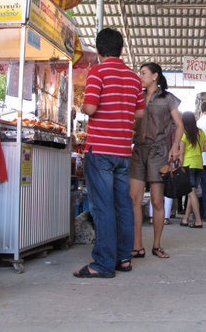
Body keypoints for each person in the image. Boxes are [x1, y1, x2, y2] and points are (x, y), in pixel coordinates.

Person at [74, 28, 144, 279]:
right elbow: (139, 113)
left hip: (101, 150)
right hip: (123, 152)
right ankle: (123, 259)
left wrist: (82, 105)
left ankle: (102, 264)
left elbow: (91, 107)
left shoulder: (98, 72)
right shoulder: (134, 78)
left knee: (103, 207)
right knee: (123, 205)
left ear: (100, 51)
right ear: (122, 49)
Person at [130, 62, 183, 259]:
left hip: (158, 152)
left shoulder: (168, 99)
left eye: (143, 73)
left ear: (155, 76)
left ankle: (157, 245)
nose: (140, 76)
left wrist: (175, 146)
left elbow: (179, 125)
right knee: (134, 199)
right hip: (138, 151)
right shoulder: (137, 97)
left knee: (156, 201)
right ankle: (137, 245)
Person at [179, 111, 206, 228]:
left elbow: (181, 152)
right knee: (193, 193)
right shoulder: (200, 132)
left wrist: (180, 166)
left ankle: (198, 221)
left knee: (191, 194)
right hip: (199, 164)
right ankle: (185, 219)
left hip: (188, 164)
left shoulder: (184, 133)